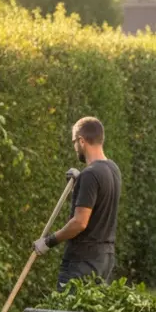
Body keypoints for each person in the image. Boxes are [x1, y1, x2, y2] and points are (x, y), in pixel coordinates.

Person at [33, 117, 122, 288]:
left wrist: (48, 242)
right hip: (105, 257)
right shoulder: (113, 169)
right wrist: (79, 182)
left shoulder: (90, 174)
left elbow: (80, 223)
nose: (74, 147)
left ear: (81, 141)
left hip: (83, 261)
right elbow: (99, 205)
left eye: (74, 142)